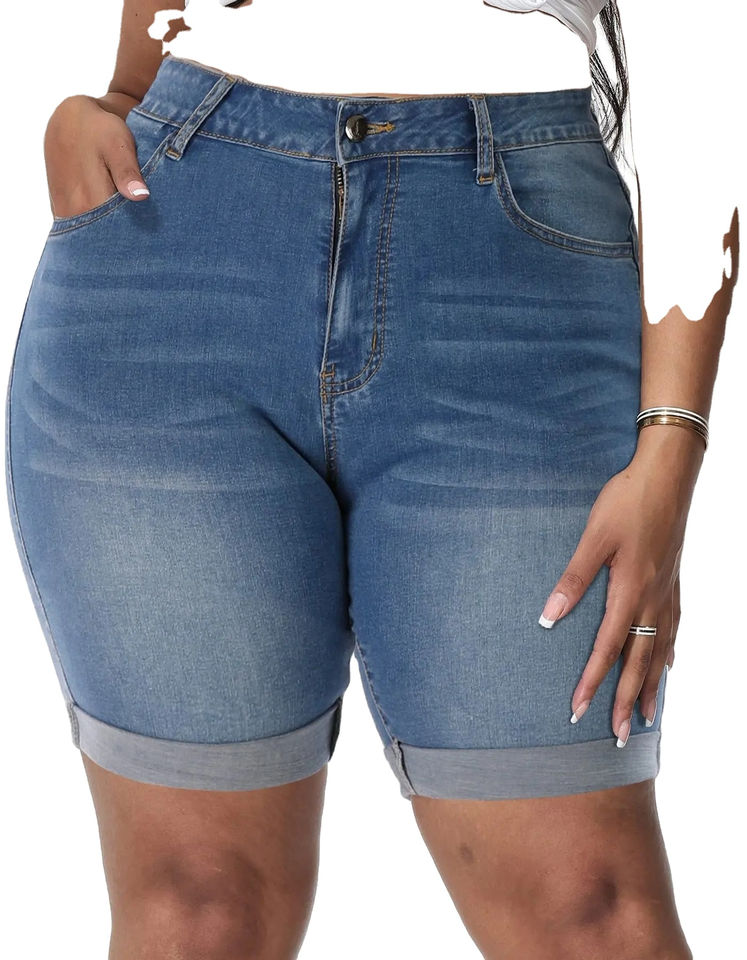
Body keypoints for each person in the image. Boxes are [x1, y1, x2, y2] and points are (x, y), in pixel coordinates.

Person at [4, 2, 739, 957]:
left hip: (518, 278)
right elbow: (166, 37)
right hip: (173, 244)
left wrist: (673, 444)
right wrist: (118, 99)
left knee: (589, 914)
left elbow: (708, 46)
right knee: (197, 912)